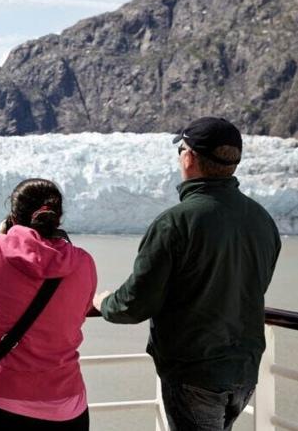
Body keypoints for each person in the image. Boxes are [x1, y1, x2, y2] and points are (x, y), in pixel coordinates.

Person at [93, 117, 281, 431]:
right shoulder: (262, 220)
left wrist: (105, 302)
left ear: (189, 157)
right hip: (243, 372)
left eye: (180, 149)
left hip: (195, 374)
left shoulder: (176, 223)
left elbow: (136, 303)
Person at [0, 178, 97, 431]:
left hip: (0, 400)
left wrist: (3, 239)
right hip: (65, 405)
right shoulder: (83, 262)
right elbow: (82, 310)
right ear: (58, 218)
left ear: (12, 216)